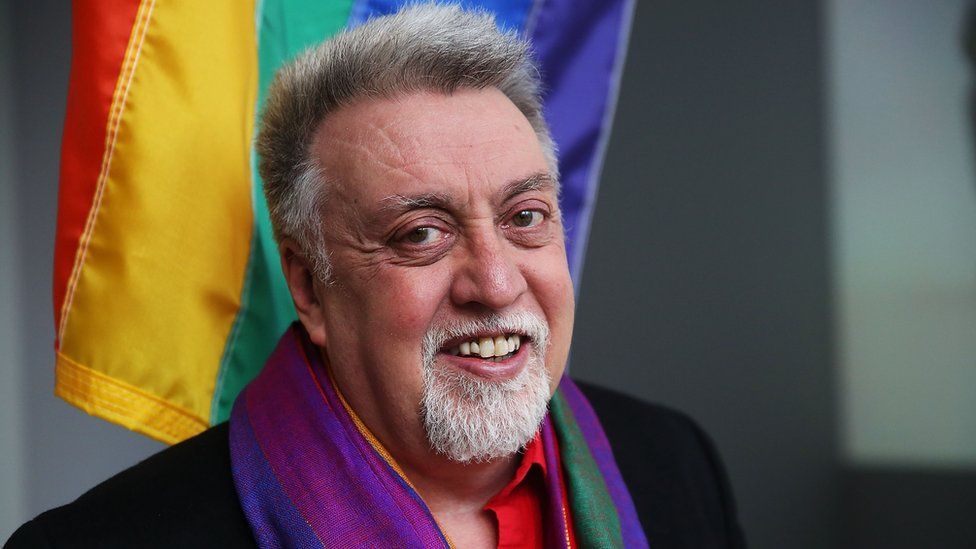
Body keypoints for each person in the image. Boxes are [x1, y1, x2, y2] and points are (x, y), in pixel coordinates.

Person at [7, 4, 745, 548]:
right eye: (420, 233)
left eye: (524, 218)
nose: (493, 282)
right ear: (309, 287)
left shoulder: (671, 462)